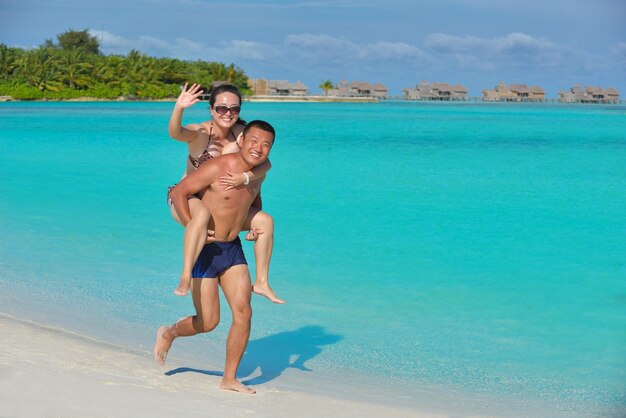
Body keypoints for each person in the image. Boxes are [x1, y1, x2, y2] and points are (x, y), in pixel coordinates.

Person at [154, 120, 276, 394]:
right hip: (205, 251)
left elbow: (253, 201)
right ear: (242, 139)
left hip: (232, 248)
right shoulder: (217, 167)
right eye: (254, 141)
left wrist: (254, 225)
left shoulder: (258, 173)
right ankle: (169, 332)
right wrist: (190, 225)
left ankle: (229, 378)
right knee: (207, 322)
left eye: (266, 144)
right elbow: (179, 192)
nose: (258, 148)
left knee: (244, 312)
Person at [168, 83, 283, 304]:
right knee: (200, 216)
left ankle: (262, 282)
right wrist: (179, 108)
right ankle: (184, 277)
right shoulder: (201, 132)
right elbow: (175, 133)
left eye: (234, 109)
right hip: (187, 197)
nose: (228, 113)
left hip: (217, 202)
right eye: (221, 108)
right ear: (211, 110)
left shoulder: (241, 134)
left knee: (265, 222)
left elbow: (265, 161)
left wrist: (245, 179)